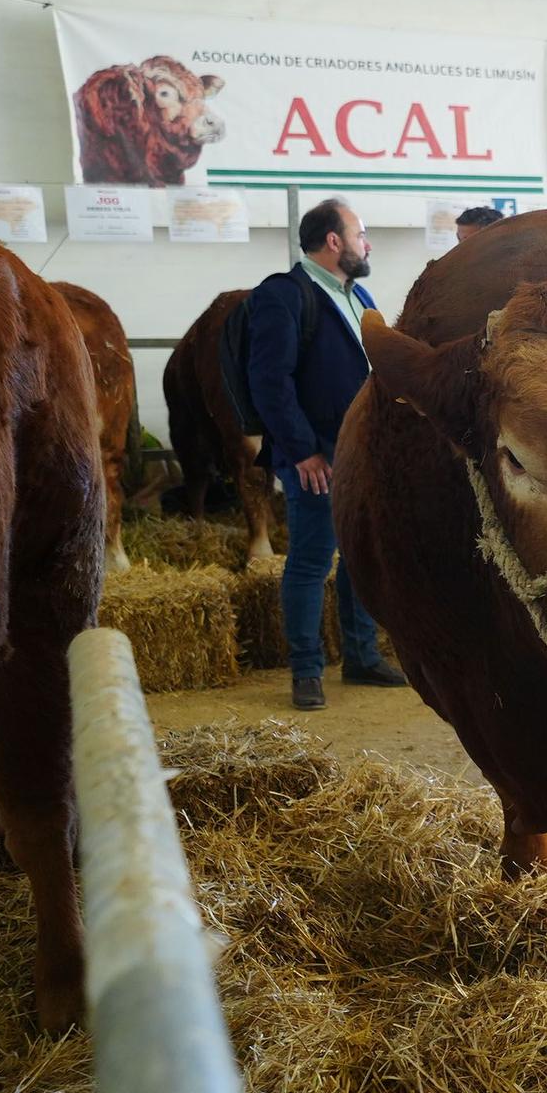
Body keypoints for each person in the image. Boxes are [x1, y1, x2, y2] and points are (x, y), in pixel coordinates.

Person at [247, 197, 407, 710]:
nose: (368, 243)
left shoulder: (359, 295)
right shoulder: (286, 295)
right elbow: (270, 382)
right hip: (316, 459)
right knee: (312, 561)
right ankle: (307, 668)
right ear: (333, 241)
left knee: (360, 560)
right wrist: (302, 453)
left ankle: (361, 657)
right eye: (360, 234)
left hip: (363, 456)